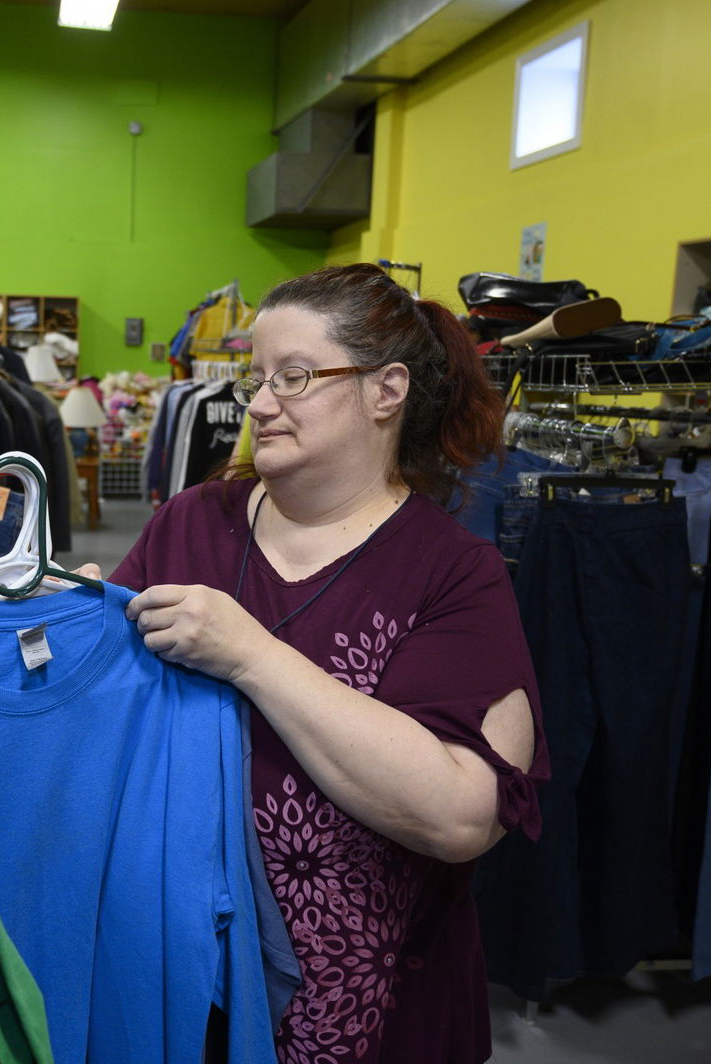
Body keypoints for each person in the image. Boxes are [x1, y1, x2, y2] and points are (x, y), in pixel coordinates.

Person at [80, 263, 548, 1063]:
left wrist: (252, 654)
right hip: (186, 980)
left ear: (385, 390)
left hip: (369, 1006)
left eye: (294, 378)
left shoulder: (452, 573)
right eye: (255, 380)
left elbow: (461, 814)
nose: (260, 406)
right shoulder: (195, 519)